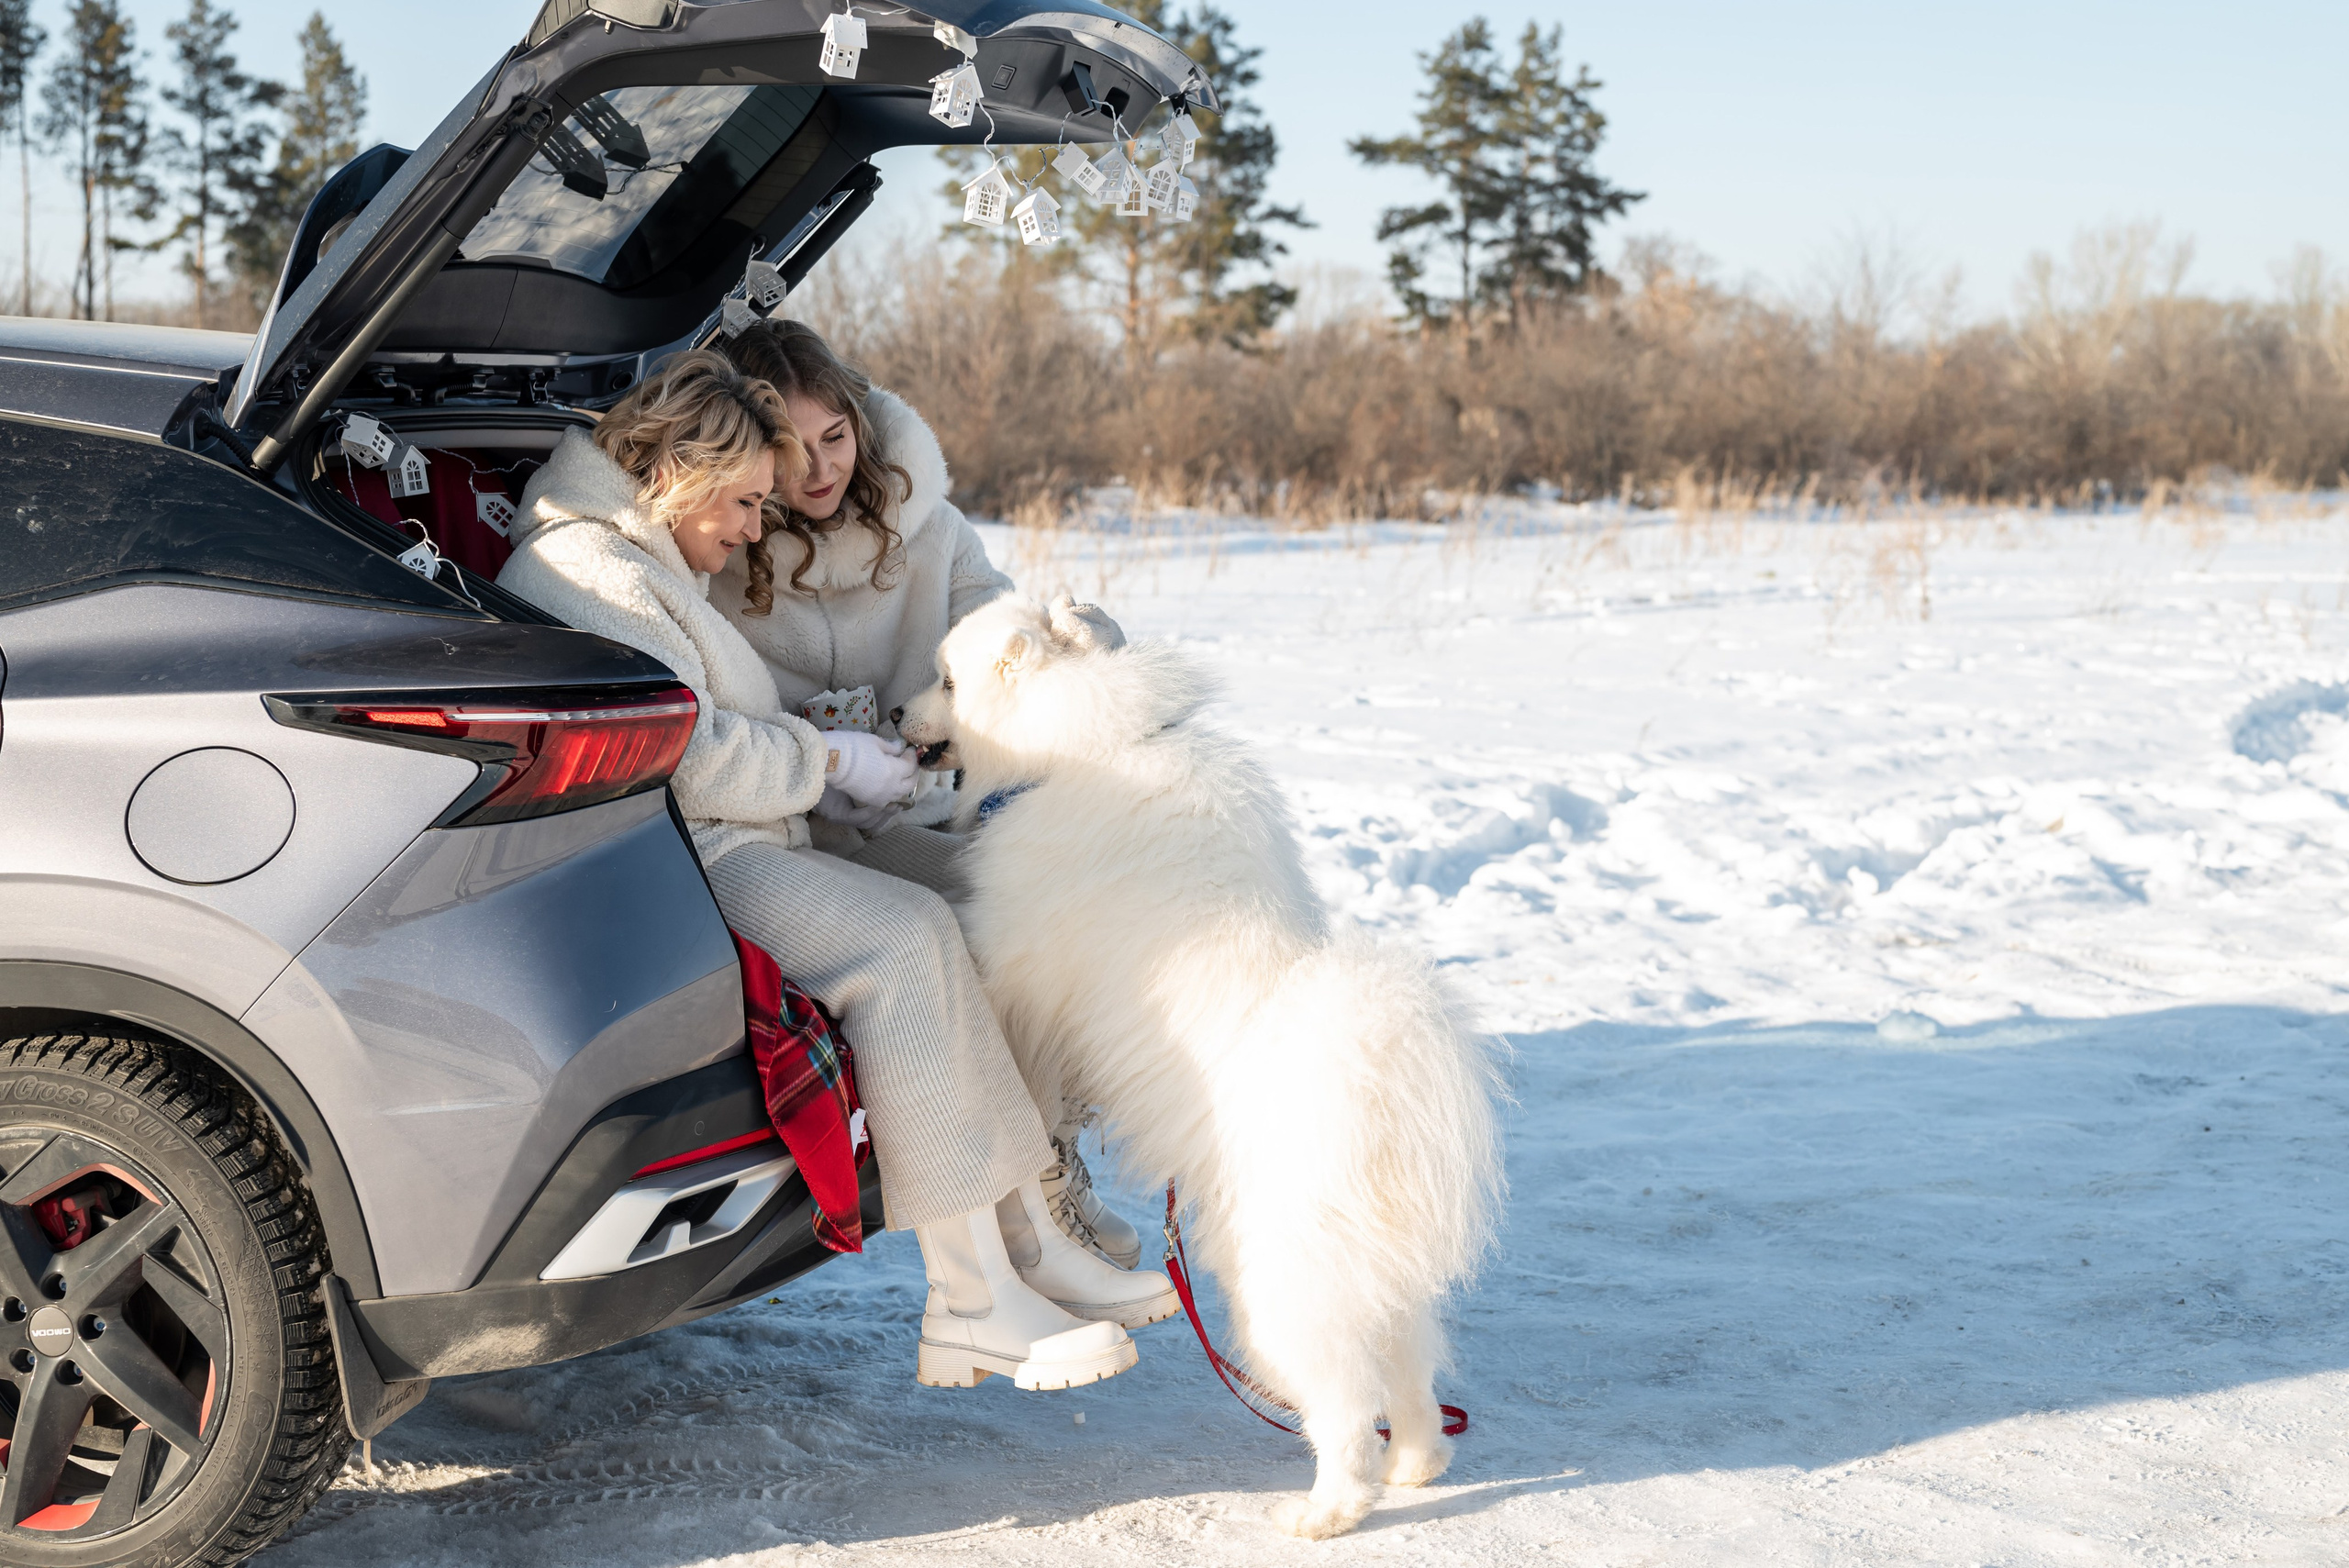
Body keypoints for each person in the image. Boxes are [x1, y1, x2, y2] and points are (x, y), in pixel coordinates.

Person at [495, 351, 1173, 1391]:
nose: (757, 526)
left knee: (984, 906)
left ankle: (1031, 1234)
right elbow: (692, 752)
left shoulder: (639, 554)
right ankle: (973, 1297)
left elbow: (713, 727)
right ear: (685, 469)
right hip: (694, 857)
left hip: (752, 829)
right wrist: (823, 763)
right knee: (903, 939)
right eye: (746, 499)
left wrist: (829, 769)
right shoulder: (594, 570)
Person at [707, 318, 1151, 1272]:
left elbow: (1000, 641)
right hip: (789, 831)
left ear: (862, 428)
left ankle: (1047, 1173)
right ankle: (1001, 1226)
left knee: (1049, 918)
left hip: (903, 817)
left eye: (836, 438)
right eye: (789, 449)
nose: (818, 470)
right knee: (951, 932)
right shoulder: (725, 543)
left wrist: (1085, 655)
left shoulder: (930, 529)